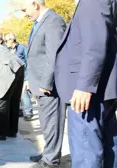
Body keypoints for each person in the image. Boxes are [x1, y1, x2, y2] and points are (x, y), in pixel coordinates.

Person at [55, 0, 117, 167]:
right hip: (100, 87)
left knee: (86, 151)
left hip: (87, 92)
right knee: (107, 144)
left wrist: (85, 85)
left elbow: (95, 44)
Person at [20, 0, 66, 167]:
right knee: (46, 124)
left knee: (52, 123)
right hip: (38, 84)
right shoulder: (39, 23)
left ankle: (50, 161)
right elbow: (34, 56)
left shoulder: (54, 21)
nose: (24, 13)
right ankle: (48, 153)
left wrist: (46, 83)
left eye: (25, 9)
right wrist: (28, 79)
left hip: (49, 86)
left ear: (35, 4)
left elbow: (54, 55)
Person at [5, 33, 33, 121]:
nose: (6, 43)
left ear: (11, 40)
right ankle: (19, 111)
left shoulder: (22, 48)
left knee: (24, 95)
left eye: (6, 41)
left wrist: (28, 78)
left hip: (24, 76)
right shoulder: (7, 50)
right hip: (13, 77)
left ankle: (28, 113)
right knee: (15, 95)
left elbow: (29, 62)